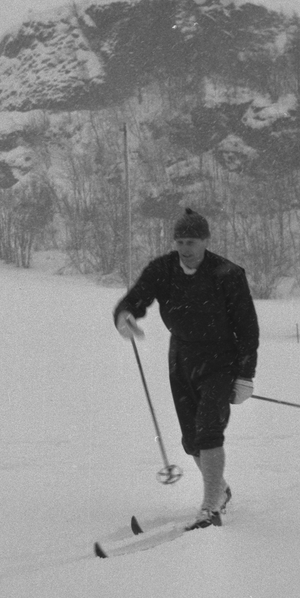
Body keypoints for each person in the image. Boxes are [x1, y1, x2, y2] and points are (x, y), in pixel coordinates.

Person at [113, 208, 260, 530]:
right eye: (179, 241)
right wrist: (125, 314)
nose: (184, 248)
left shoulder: (228, 273)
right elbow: (136, 298)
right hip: (181, 359)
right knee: (192, 439)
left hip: (222, 361)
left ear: (206, 241)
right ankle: (219, 489)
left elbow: (248, 329)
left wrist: (246, 375)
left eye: (191, 241)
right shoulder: (163, 269)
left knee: (209, 428)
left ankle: (210, 506)